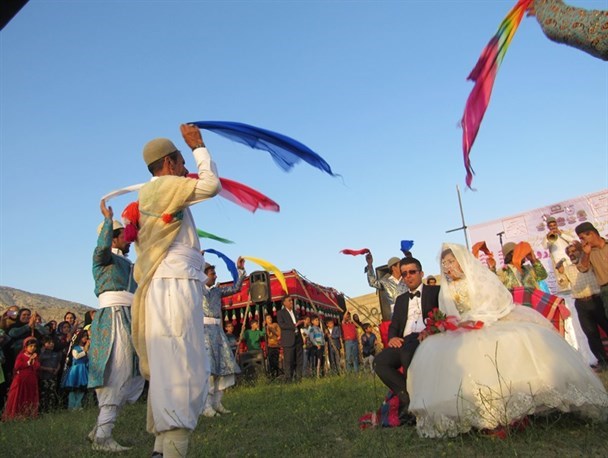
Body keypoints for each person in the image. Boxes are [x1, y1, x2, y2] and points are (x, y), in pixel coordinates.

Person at [408, 243, 608, 438]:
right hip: (462, 330)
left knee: (507, 343)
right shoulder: (446, 290)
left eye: (451, 261)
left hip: (488, 321)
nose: (448, 267)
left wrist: (478, 319)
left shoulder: (478, 279)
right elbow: (449, 314)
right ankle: (479, 413)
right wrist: (448, 324)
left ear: (462, 261)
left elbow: (497, 301)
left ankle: (513, 413)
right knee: (442, 351)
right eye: (444, 264)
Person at [130, 124, 221, 458]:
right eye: (182, 161)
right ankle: (173, 450)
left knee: (170, 363)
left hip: (166, 284)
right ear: (169, 162)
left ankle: (160, 450)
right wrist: (199, 147)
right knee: (183, 364)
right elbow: (210, 185)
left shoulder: (153, 192)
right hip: (174, 284)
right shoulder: (167, 186)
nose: (186, 168)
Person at [87, 200, 145, 452]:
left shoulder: (129, 265)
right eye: (123, 236)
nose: (128, 239)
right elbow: (100, 250)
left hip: (130, 318)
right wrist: (109, 221)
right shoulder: (102, 259)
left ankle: (100, 429)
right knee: (117, 371)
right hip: (112, 319)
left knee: (132, 373)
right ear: (112, 238)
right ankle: (102, 437)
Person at [373, 256, 440, 424]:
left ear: (421, 273)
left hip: (426, 336)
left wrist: (431, 330)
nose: (408, 276)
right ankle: (407, 398)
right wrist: (392, 338)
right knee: (380, 362)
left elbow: (443, 316)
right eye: (404, 274)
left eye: (412, 272)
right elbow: (394, 325)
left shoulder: (436, 291)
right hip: (404, 340)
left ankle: (420, 405)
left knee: (407, 353)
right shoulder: (401, 300)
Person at [201, 259, 245, 418]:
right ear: (203, 275)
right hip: (203, 332)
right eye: (213, 273)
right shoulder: (196, 290)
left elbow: (236, 288)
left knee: (224, 367)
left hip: (218, 332)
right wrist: (197, 261)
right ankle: (205, 406)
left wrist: (240, 271)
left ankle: (217, 402)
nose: (215, 276)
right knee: (209, 370)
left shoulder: (217, 291)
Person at [557, 241, 608, 369]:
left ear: (581, 251)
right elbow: (562, 284)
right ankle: (603, 362)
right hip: (581, 304)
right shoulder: (568, 269)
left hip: (596, 300)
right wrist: (560, 272)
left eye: (574, 251)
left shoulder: (589, 262)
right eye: (569, 253)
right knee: (591, 333)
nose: (572, 254)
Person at [2, 336, 40, 420]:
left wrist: (34, 361)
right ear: (25, 347)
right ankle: (16, 415)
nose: (33, 348)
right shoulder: (21, 356)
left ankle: (28, 414)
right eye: (31, 346)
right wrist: (29, 361)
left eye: (34, 346)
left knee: (29, 396)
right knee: (19, 395)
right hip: (21, 380)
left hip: (31, 379)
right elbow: (17, 366)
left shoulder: (35, 356)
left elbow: (37, 367)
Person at [575, 222, 608, 316]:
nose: (582, 241)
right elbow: (582, 269)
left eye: (582, 238)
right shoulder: (586, 253)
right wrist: (586, 254)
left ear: (591, 234)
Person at [277, 295, 306, 381]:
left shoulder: (296, 312)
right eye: (289, 300)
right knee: (289, 361)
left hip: (298, 339)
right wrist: (294, 325)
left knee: (299, 360)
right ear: (284, 303)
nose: (291, 302)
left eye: (291, 300)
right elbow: (282, 325)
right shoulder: (280, 313)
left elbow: (298, 324)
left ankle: (298, 378)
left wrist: (302, 323)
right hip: (288, 340)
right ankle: (288, 379)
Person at [62, 329, 90, 410]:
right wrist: (85, 350)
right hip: (76, 369)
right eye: (84, 336)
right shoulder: (75, 347)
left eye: (86, 336)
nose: (85, 338)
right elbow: (76, 356)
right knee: (73, 389)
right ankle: (71, 406)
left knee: (81, 388)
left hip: (84, 369)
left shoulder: (87, 348)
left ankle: (78, 405)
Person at [38, 335, 61, 413]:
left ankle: (51, 409)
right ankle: (43, 409)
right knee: (44, 394)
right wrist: (47, 369)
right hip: (44, 377)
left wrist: (57, 369)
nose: (52, 344)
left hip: (53, 376)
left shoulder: (55, 354)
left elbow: (58, 363)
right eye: (49, 343)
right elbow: (38, 366)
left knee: (52, 393)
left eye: (52, 342)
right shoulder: (41, 355)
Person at [264, 314, 282, 379]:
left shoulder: (275, 325)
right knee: (271, 361)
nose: (270, 319)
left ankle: (277, 374)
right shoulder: (266, 327)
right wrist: (266, 328)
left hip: (276, 345)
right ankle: (272, 375)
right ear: (265, 320)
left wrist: (272, 329)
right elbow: (269, 336)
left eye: (270, 317)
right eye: (268, 318)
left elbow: (279, 334)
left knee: (276, 360)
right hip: (270, 346)